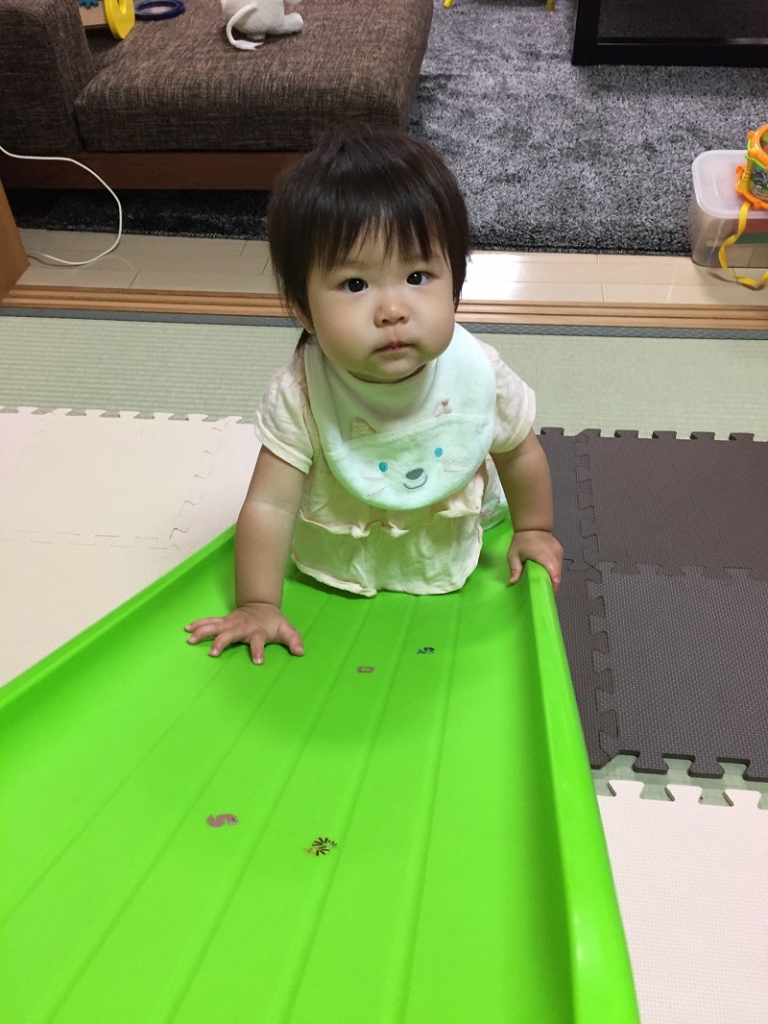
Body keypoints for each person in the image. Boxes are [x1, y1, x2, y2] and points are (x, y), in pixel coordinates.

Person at [185, 128, 563, 664]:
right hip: (339, 562)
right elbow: (270, 503)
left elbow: (518, 451)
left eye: (417, 275)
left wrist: (534, 529)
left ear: (455, 284)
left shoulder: (477, 373)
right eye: (355, 285)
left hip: (447, 545)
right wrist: (258, 603)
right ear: (302, 307)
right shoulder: (302, 393)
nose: (392, 310)